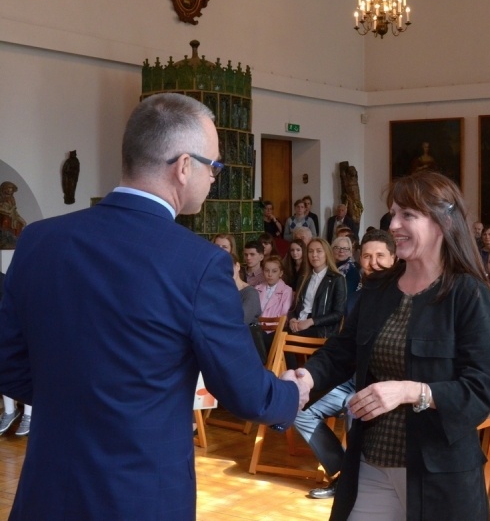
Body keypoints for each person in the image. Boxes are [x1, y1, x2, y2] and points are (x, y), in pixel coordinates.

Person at [0, 93, 305, 520]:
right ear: (184, 167)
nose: (214, 177)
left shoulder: (39, 240)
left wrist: (77, 399)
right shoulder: (199, 264)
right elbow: (245, 392)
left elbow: (7, 362)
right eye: (214, 166)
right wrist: (292, 393)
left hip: (48, 492)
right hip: (140, 496)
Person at [291, 171, 490, 520]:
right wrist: (306, 378)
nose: (393, 225)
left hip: (438, 473)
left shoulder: (467, 294)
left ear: (443, 222)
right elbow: (343, 350)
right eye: (393, 214)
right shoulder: (378, 288)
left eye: (408, 215)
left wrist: (410, 391)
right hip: (371, 462)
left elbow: (481, 389)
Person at [302, 229, 398, 500]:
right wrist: (307, 377)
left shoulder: (403, 297)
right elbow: (344, 345)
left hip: (380, 387)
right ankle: (344, 473)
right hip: (350, 379)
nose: (373, 263)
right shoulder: (359, 297)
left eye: (380, 256)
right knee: (300, 409)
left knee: (356, 408)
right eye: (366, 256)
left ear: (394, 259)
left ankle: (355, 480)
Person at [287, 238, 346, 339]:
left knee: (282, 340)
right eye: (310, 251)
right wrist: (292, 319)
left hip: (320, 329)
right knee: (266, 339)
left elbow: (338, 314)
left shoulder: (337, 279)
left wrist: (311, 321)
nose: (314, 255)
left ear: (326, 253)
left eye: (319, 251)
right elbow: (294, 307)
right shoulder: (303, 278)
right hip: (299, 324)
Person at [231, 252, 261, 325]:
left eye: (229, 268)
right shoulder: (221, 291)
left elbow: (241, 320)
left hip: (247, 331)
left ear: (237, 266)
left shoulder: (250, 293)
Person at [0, 181, 26, 248]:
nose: (10, 190)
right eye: (8, 188)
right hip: (3, 215)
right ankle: (4, 239)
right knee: (6, 221)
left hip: (12, 215)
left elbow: (14, 210)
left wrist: (18, 217)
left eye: (11, 188)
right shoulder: (1, 197)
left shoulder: (12, 198)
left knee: (20, 223)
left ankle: (16, 240)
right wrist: (7, 211)